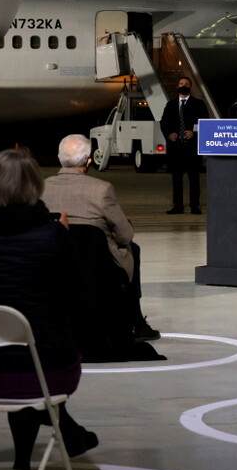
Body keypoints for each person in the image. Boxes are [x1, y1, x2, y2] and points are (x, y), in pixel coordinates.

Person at [0, 148, 98, 470]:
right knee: (36, 357)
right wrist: (61, 237)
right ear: (35, 186)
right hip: (49, 367)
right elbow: (77, 297)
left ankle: (45, 450)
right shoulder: (52, 236)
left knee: (18, 354)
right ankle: (48, 445)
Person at [42, 134, 161, 343]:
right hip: (99, 264)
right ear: (88, 161)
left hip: (54, 261)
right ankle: (136, 321)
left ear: (60, 158)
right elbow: (125, 234)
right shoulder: (101, 189)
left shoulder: (40, 188)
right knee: (133, 248)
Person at [159, 76, 208, 214]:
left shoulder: (199, 104)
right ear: (177, 86)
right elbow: (164, 123)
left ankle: (194, 206)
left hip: (191, 147)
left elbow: (205, 123)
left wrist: (194, 133)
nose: (183, 85)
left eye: (186, 84)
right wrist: (169, 134)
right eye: (181, 83)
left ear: (190, 87)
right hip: (175, 148)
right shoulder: (171, 104)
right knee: (176, 179)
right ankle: (178, 206)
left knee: (194, 178)